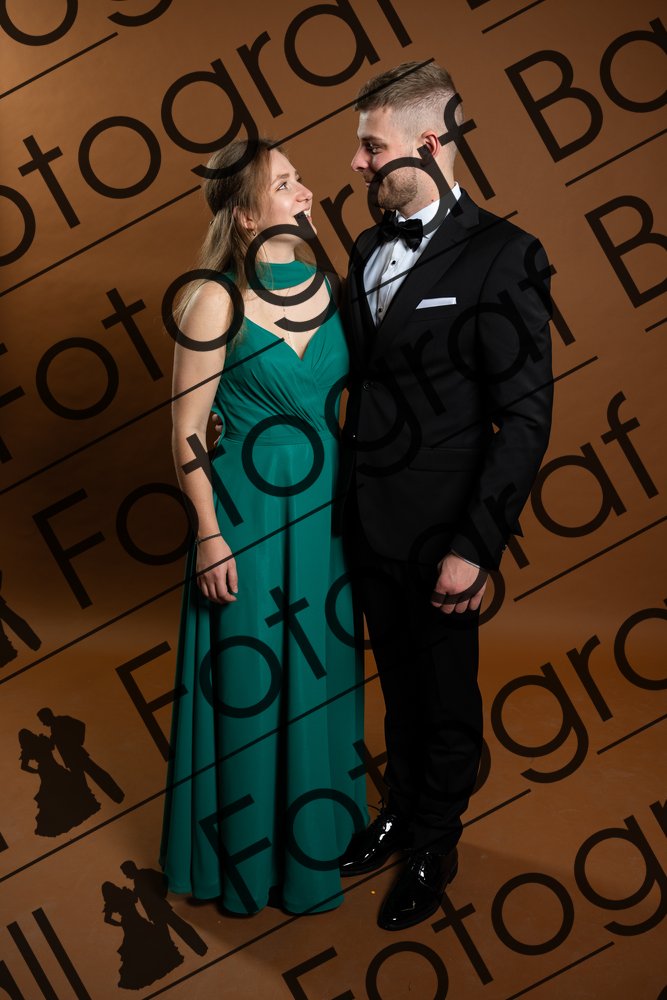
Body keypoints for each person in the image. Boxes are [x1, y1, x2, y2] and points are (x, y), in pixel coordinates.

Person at [337, 61, 554, 930]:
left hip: (444, 536)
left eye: (370, 145)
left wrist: (475, 546)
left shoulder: (506, 254)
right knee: (396, 686)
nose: (356, 163)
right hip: (363, 522)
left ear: (427, 144)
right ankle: (398, 811)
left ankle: (434, 841)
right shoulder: (364, 248)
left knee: (446, 696)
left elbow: (525, 418)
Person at [159, 138, 368, 917]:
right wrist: (209, 535)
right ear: (245, 216)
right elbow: (186, 431)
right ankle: (243, 865)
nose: (305, 192)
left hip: (328, 517)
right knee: (250, 684)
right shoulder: (215, 299)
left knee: (319, 678)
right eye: (284, 185)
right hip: (246, 517)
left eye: (299, 179)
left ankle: (312, 853)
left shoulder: (335, 289)